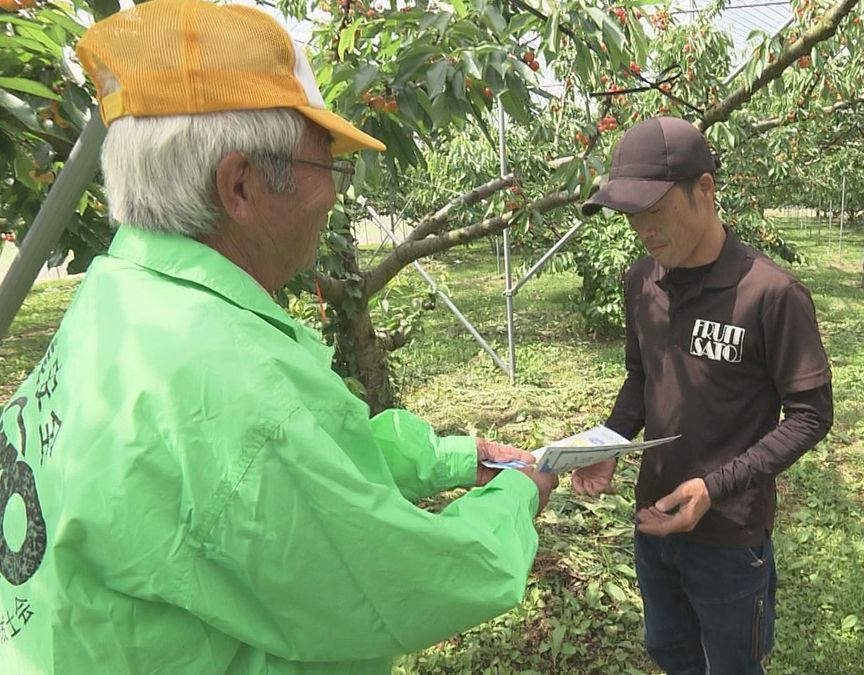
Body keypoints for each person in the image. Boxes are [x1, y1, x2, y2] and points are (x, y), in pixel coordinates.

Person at [0, 0, 557, 672]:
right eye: (328, 167)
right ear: (239, 185)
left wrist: (452, 459)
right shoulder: (231, 382)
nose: (332, 197)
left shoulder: (120, 296)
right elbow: (404, 582)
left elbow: (289, 465)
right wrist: (518, 494)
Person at [574, 117, 834, 674]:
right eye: (632, 215)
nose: (644, 228)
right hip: (653, 519)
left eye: (655, 208)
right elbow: (642, 378)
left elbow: (811, 415)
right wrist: (609, 441)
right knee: (671, 652)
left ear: (705, 189)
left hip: (728, 537)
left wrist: (716, 488)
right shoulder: (641, 281)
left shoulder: (770, 293)